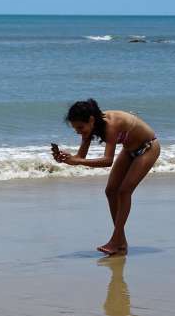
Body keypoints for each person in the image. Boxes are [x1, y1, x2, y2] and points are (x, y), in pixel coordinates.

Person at [53, 99, 160, 255]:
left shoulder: (111, 125)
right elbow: (81, 156)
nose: (78, 132)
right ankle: (120, 241)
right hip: (129, 150)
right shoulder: (90, 127)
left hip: (148, 148)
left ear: (90, 119)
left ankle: (116, 240)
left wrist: (77, 161)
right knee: (110, 191)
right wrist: (67, 159)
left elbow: (107, 161)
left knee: (124, 191)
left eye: (80, 128)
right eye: (75, 129)